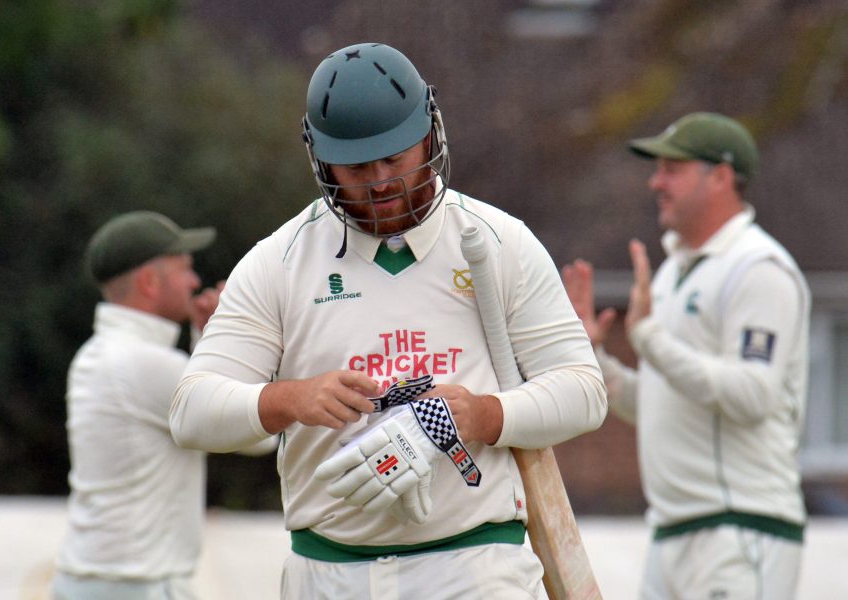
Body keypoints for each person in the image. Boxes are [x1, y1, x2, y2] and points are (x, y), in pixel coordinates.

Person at [170, 42, 607, 600]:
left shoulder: (500, 242)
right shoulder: (278, 261)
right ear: (321, 159)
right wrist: (290, 399)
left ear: (430, 133)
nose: (380, 182)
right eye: (356, 167)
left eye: (395, 158)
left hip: (473, 567)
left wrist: (477, 415)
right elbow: (190, 413)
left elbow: (583, 392)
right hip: (326, 573)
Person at [563, 112, 810, 600]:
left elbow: (753, 395)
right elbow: (656, 400)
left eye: (672, 168)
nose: (656, 182)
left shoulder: (759, 269)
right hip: (672, 533)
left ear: (720, 176)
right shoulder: (674, 271)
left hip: (741, 528)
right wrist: (591, 357)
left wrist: (650, 337)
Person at [53, 211, 225, 599]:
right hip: (136, 584)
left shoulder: (99, 353)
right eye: (185, 268)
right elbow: (249, 432)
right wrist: (225, 336)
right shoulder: (145, 363)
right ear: (149, 281)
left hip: (94, 579)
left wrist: (205, 339)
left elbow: (206, 406)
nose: (195, 281)